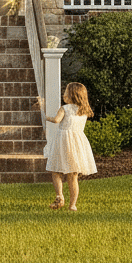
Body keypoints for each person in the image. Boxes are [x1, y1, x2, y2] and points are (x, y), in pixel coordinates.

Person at [38, 81, 97, 211]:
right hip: (77, 143)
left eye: (66, 92)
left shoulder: (65, 108)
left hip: (63, 142)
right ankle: (72, 205)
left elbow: (56, 120)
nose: (64, 94)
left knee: (56, 171)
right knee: (73, 175)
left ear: (72, 95)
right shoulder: (84, 110)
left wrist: (45, 117)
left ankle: (60, 196)